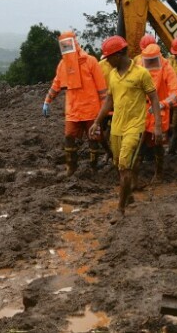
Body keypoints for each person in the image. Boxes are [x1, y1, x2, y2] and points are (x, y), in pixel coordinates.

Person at [90, 36, 162, 218]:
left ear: (120, 54)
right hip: (116, 127)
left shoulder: (141, 74)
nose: (107, 61)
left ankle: (120, 209)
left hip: (134, 127)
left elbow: (154, 98)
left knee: (124, 166)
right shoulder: (113, 75)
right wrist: (97, 122)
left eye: (110, 58)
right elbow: (109, 100)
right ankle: (128, 196)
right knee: (118, 165)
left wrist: (158, 126)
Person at [42, 31, 108, 176]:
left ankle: (93, 167)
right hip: (73, 110)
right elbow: (56, 84)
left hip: (91, 109)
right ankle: (71, 168)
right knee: (69, 137)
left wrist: (106, 109)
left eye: (68, 44)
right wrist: (47, 100)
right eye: (63, 45)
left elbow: (102, 87)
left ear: (75, 43)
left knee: (94, 139)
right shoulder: (62, 65)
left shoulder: (90, 61)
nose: (66, 48)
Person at [137, 43, 177, 183]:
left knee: (158, 143)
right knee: (138, 143)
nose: (149, 64)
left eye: (152, 61)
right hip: (141, 112)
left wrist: (163, 104)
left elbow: (176, 93)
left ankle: (159, 172)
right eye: (147, 61)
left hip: (160, 113)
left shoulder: (167, 68)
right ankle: (134, 174)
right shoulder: (139, 66)